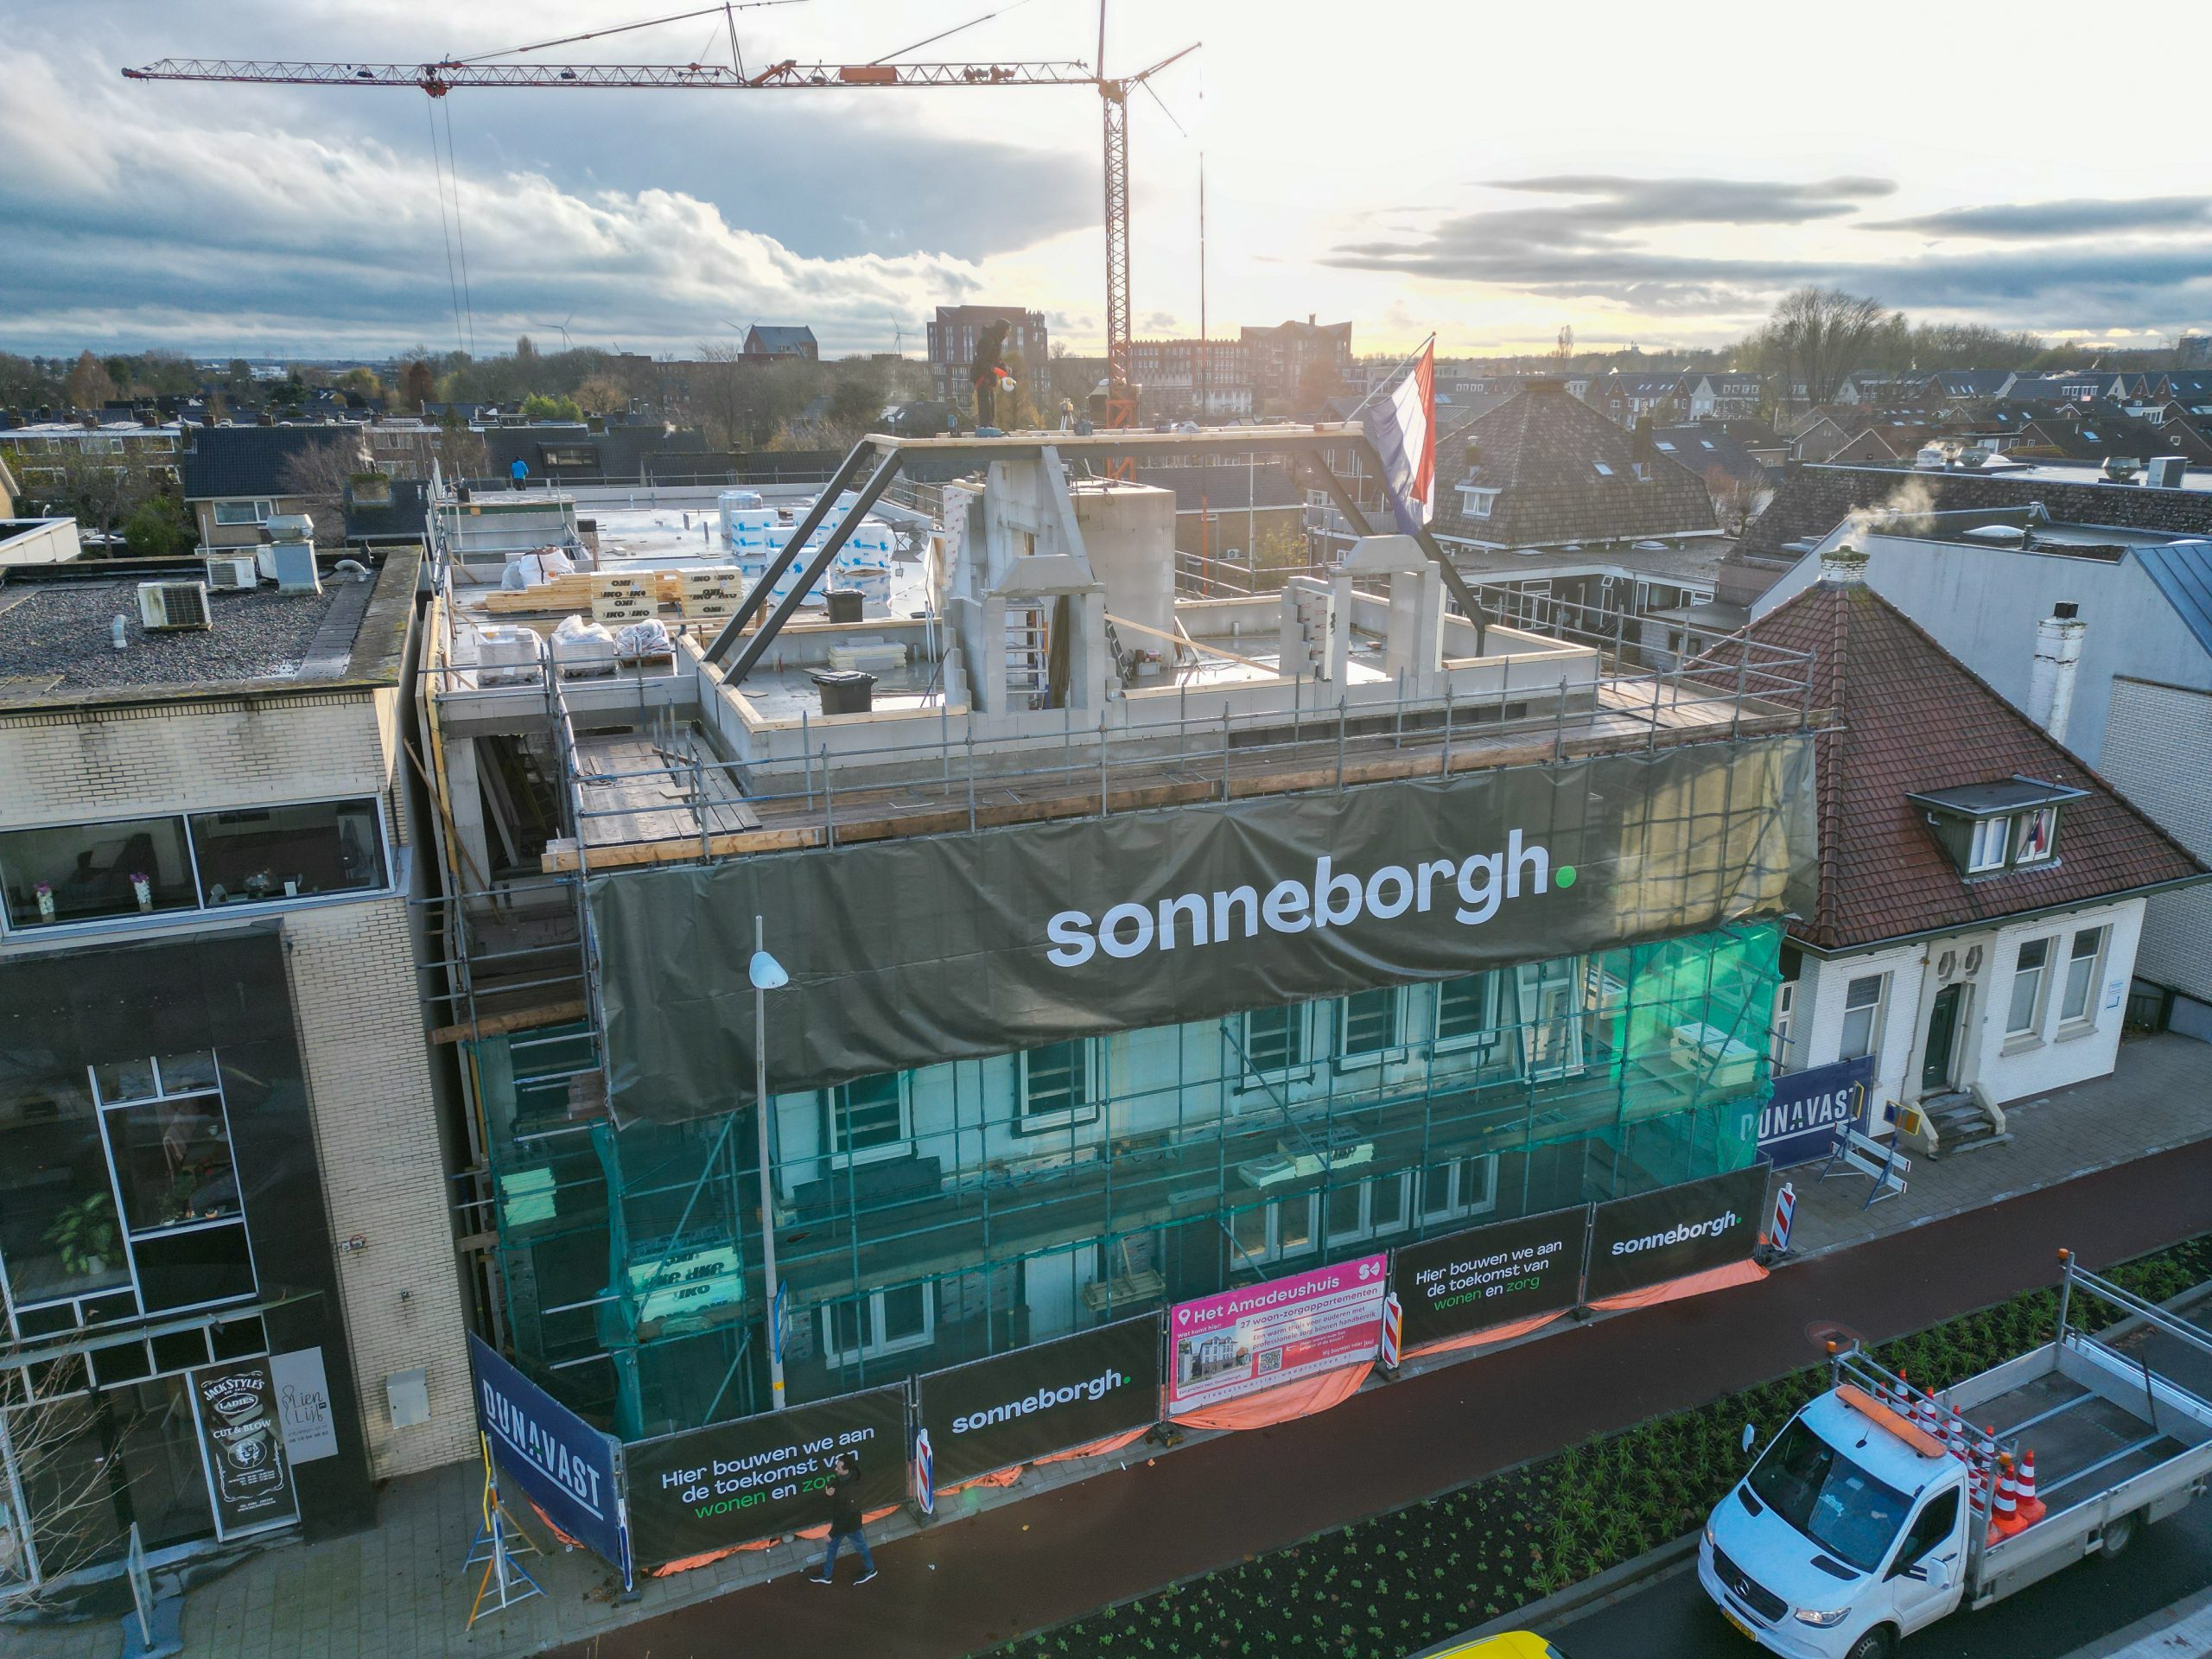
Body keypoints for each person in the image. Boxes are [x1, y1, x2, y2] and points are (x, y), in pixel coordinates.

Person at [809, 1454, 875, 1585]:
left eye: (838, 1468)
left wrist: (831, 1533)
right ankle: (828, 1574)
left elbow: (848, 1515)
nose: (835, 1469)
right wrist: (829, 1492)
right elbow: (835, 1481)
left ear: (845, 1470)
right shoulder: (846, 1476)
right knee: (844, 1546)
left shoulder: (852, 1490)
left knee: (859, 1547)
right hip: (842, 1523)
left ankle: (869, 1569)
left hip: (849, 1525)